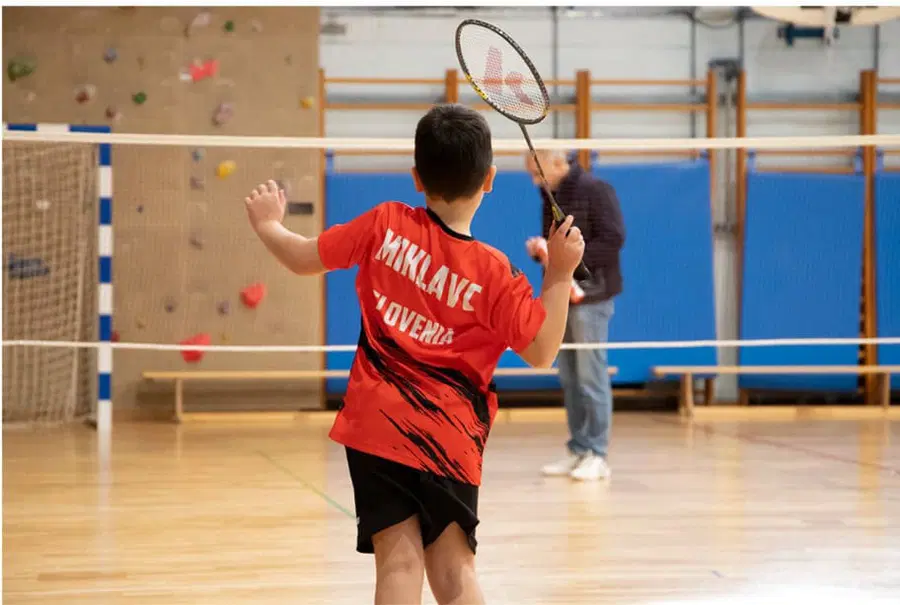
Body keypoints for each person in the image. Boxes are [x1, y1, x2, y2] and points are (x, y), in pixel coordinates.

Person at [244, 104, 585, 605]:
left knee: (398, 565)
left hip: (375, 427)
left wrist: (269, 224)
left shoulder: (384, 224)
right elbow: (540, 351)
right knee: (454, 572)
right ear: (489, 180)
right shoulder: (495, 272)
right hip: (449, 439)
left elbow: (300, 256)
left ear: (416, 178)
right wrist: (558, 275)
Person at [525, 150, 625, 482]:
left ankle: (598, 453)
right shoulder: (549, 197)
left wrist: (573, 258)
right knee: (569, 376)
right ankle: (578, 448)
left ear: (557, 163)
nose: (534, 180)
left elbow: (614, 239)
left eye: (537, 173)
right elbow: (557, 251)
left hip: (593, 296)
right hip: (563, 297)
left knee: (590, 376)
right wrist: (544, 253)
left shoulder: (596, 190)